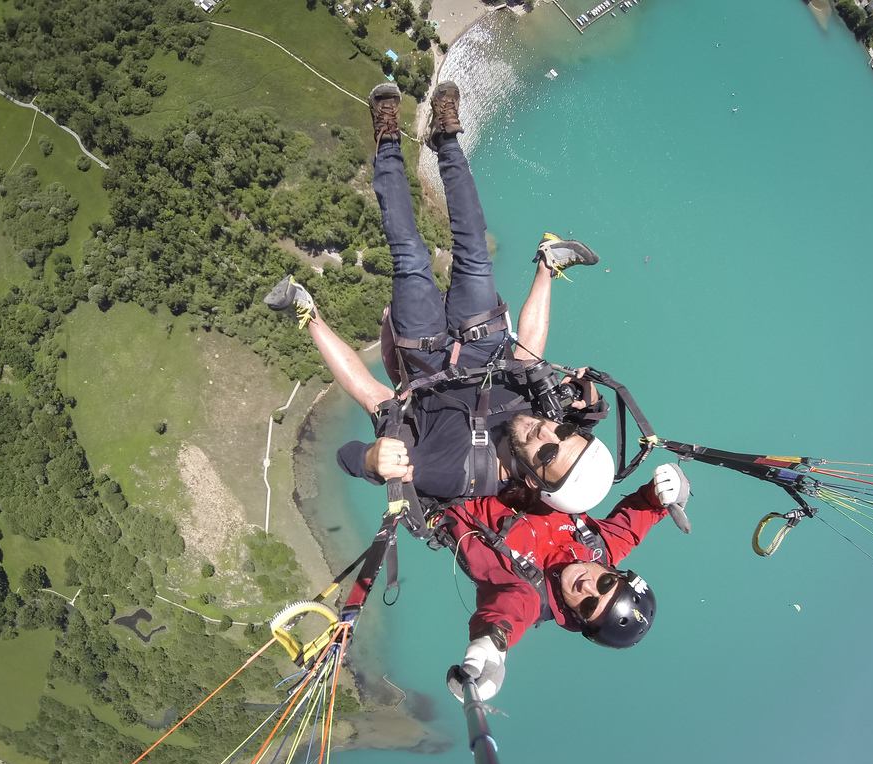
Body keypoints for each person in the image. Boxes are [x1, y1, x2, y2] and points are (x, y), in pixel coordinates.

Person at [265, 81, 616, 514]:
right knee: (472, 244)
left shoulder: (451, 473)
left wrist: (370, 461)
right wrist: (589, 398)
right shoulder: (550, 424)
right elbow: (536, 367)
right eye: (563, 435)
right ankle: (446, 139)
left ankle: (387, 140)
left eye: (547, 454)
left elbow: (374, 405)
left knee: (409, 255)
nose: (547, 435)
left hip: (426, 359)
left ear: (531, 483)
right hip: (485, 341)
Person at [441, 462, 691, 701]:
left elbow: (509, 614)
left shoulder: (530, 594)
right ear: (613, 571)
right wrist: (669, 495)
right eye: (605, 584)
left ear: (578, 617)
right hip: (509, 462)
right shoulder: (600, 548)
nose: (587, 586)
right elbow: (642, 513)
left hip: (450, 485)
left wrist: (491, 646)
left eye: (589, 606)